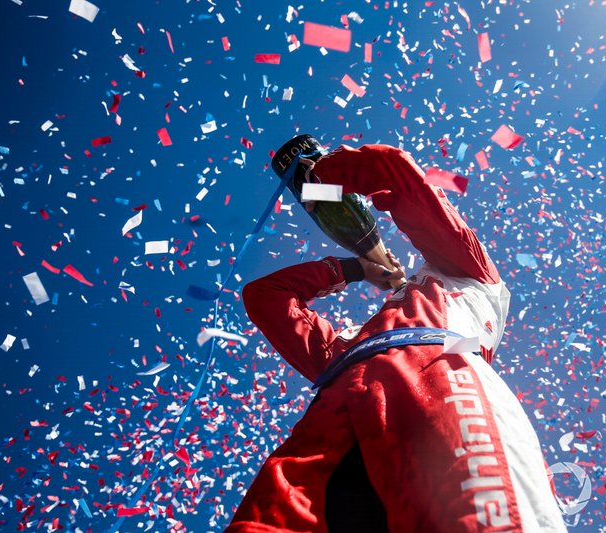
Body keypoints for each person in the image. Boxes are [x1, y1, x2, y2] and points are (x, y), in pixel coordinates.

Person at [225, 140, 567, 532]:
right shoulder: (345, 349)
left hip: (441, 380)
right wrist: (355, 269)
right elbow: (265, 297)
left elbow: (393, 172)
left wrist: (317, 178)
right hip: (333, 418)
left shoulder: (471, 276)